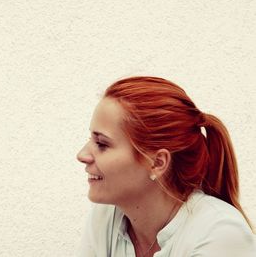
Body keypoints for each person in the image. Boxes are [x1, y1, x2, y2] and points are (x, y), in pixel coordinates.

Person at [76, 76, 256, 257]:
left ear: (157, 162)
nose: (82, 155)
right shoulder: (107, 216)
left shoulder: (219, 233)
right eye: (90, 139)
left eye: (102, 144)